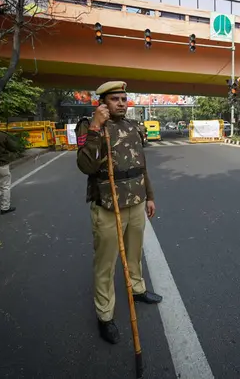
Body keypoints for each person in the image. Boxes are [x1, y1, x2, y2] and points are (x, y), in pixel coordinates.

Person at [75, 81, 162, 345]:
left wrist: (150, 196)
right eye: (115, 99)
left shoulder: (133, 126)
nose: (122, 103)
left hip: (135, 202)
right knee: (106, 263)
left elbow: (141, 165)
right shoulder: (89, 126)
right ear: (103, 102)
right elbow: (85, 166)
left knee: (134, 253)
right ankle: (105, 315)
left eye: (124, 98)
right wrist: (94, 127)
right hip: (108, 204)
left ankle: (137, 289)